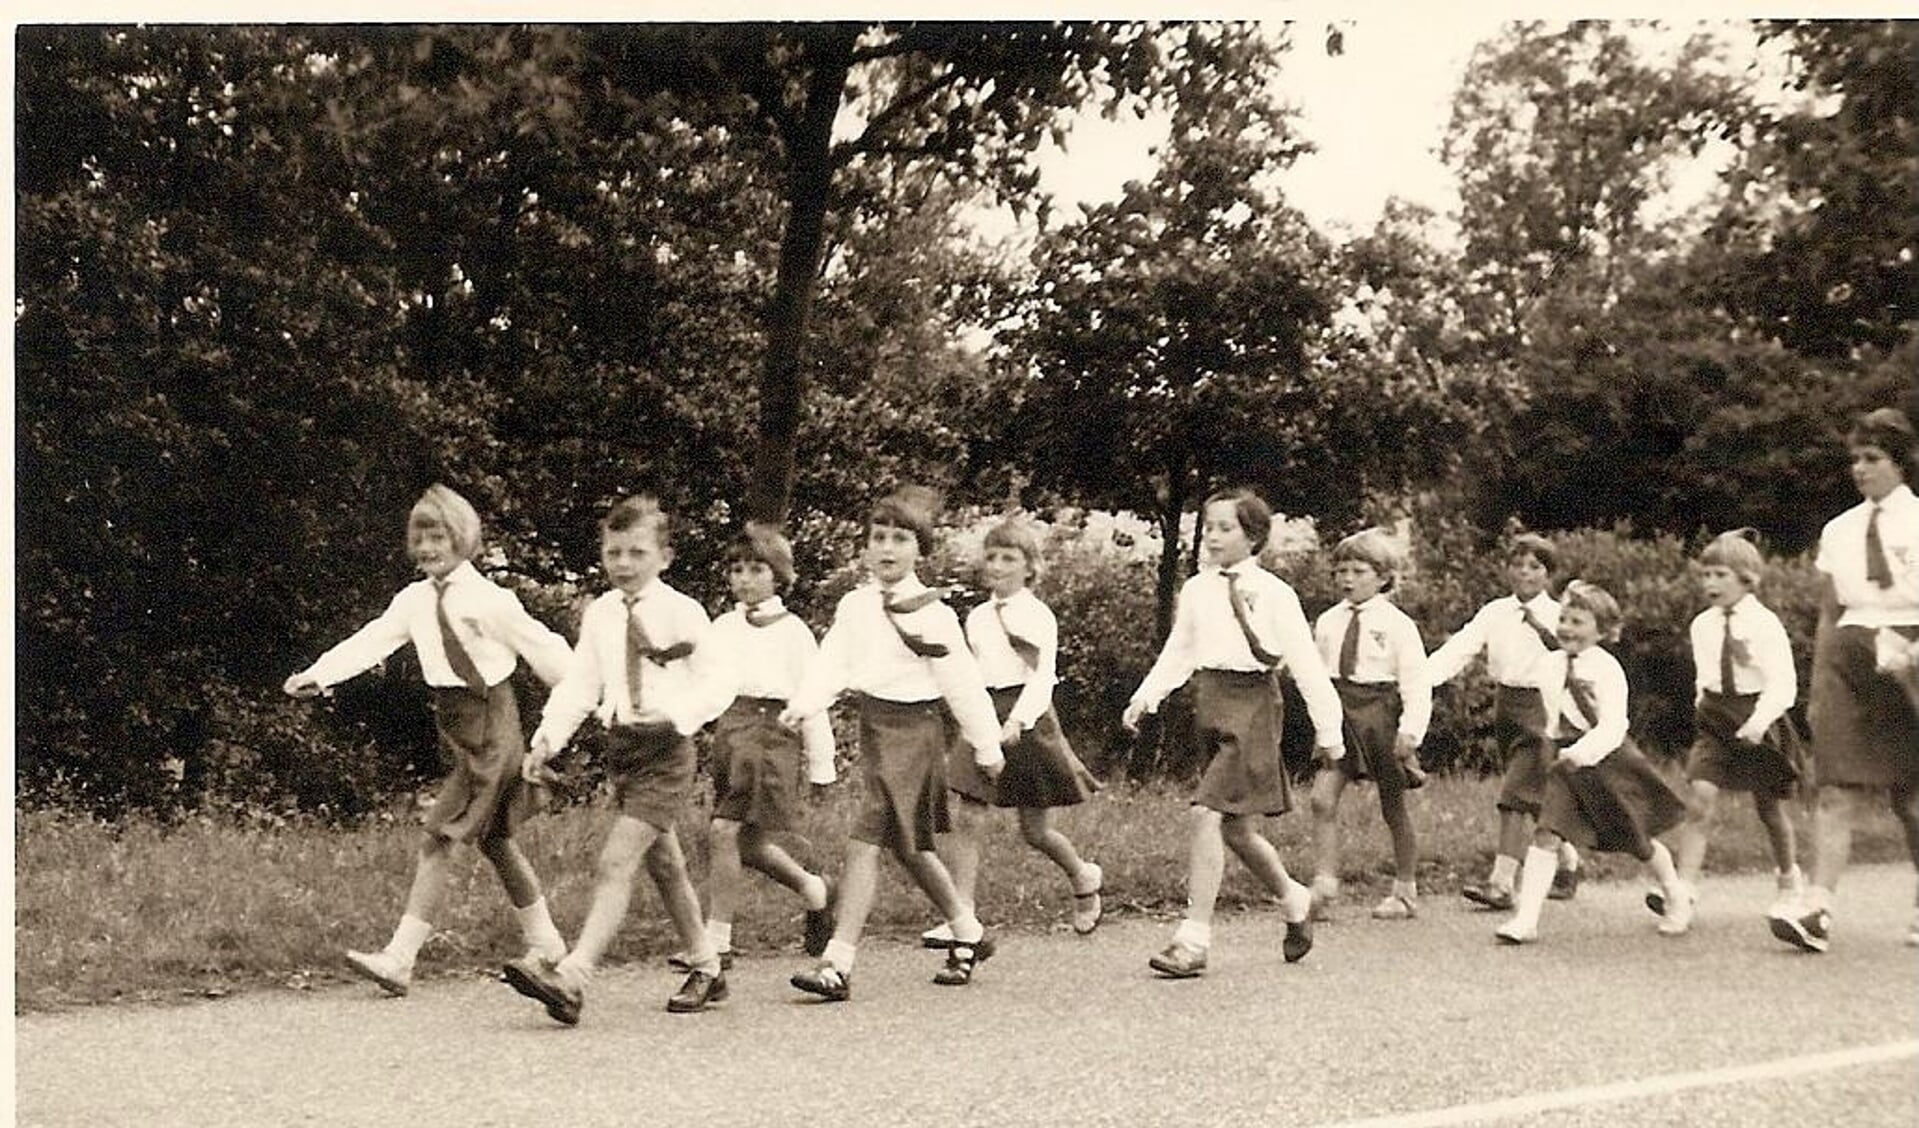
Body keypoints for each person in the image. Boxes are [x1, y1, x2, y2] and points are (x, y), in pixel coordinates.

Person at [284, 484, 575, 997]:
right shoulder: (414, 599)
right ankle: (548, 942)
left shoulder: (489, 600)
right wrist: (320, 673)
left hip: (493, 725)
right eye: (419, 537)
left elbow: (544, 649)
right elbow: (373, 639)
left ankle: (400, 958)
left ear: (461, 538)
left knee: (438, 836)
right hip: (457, 726)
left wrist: (580, 699)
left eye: (437, 536)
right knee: (496, 841)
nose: (426, 548)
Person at [502, 496, 730, 1023]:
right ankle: (707, 964)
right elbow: (582, 683)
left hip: (667, 751)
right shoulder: (603, 614)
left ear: (664, 557)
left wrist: (678, 716)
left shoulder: (682, 612)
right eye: (614, 552)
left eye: (637, 552)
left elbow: (718, 681)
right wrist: (547, 740)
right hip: (623, 749)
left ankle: (572, 978)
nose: (624, 563)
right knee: (666, 863)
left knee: (615, 862)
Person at [780, 486, 1007, 1001]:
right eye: (878, 538)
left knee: (865, 839)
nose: (886, 548)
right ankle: (967, 930)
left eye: (900, 539)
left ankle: (836, 962)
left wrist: (987, 747)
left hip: (917, 734)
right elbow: (832, 662)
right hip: (876, 729)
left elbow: (964, 686)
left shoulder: (934, 613)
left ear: (920, 550)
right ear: (864, 547)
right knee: (909, 847)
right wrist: (805, 701)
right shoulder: (856, 606)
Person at [1122, 488, 1344, 979]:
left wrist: (1330, 731)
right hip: (1212, 702)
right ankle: (1295, 900)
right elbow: (1180, 650)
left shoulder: (1276, 594)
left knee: (1205, 813)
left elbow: (1306, 665)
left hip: (1254, 707)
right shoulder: (1199, 589)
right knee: (1238, 831)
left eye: (1226, 528)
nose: (1214, 537)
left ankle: (1193, 938)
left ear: (1254, 536)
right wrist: (1147, 695)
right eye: (1210, 526)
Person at [1772, 408, 1919, 952]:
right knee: (1834, 789)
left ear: (1899, 462)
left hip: (1911, 653)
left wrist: (1911, 652)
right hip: (1850, 657)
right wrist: (1817, 687)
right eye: (1855, 459)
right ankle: (1817, 908)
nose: (1860, 468)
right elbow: (1830, 614)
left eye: (1872, 458)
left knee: (1911, 799)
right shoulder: (1839, 530)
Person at [932, 516, 1105, 947]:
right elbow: (968, 671)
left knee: (1035, 831)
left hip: (1026, 716)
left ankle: (1083, 876)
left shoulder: (1036, 615)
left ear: (1030, 567)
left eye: (1009, 558)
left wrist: (1017, 722)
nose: (997, 565)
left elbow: (1042, 678)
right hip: (984, 711)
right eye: (991, 557)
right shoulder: (976, 616)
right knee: (969, 815)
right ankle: (962, 915)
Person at [676, 522, 838, 970]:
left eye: (756, 569)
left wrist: (823, 765)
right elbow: (703, 682)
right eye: (737, 570)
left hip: (772, 736)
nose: (744, 579)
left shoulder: (794, 632)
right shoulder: (723, 627)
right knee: (745, 843)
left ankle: (717, 941)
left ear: (778, 575)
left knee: (723, 832)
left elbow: (814, 698)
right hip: (732, 731)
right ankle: (814, 890)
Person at [1494, 581, 1691, 944]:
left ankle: (1675, 895)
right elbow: (1549, 714)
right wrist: (1551, 750)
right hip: (1564, 764)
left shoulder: (1607, 669)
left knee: (1637, 839)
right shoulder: (1549, 665)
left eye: (1579, 621)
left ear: (1603, 630)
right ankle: (1527, 919)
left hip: (1607, 759)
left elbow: (1615, 725)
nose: (1567, 627)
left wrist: (1583, 752)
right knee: (1547, 833)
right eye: (1564, 619)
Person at [1650, 529, 1803, 935]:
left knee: (1770, 808)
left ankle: (1789, 880)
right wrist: (1702, 703)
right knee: (1700, 801)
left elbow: (1783, 684)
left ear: (1747, 578)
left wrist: (1758, 721)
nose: (1710, 584)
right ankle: (1682, 894)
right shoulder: (1703, 624)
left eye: (1720, 575)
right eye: (1705, 575)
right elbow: (1705, 674)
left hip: (1758, 717)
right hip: (1716, 719)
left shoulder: (1764, 623)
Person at [1426, 533, 1582, 910]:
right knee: (1533, 794)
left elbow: (1573, 657)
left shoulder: (1560, 613)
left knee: (1514, 794)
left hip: (1543, 707)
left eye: (1535, 567)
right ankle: (1569, 861)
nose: (1525, 573)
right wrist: (1421, 679)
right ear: (1507, 569)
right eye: (1518, 565)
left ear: (1549, 574)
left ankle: (1501, 883)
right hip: (1507, 707)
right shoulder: (1495, 611)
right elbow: (1463, 646)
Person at [1306, 528, 1431, 921]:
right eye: (1341, 570)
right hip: (1339, 712)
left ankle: (1406, 889)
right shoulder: (1328, 621)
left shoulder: (1397, 624)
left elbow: (1416, 681)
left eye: (1358, 571)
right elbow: (1314, 670)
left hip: (1381, 714)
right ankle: (1324, 886)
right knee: (1321, 798)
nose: (1347, 579)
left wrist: (1412, 729)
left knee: (1392, 805)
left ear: (1382, 577)